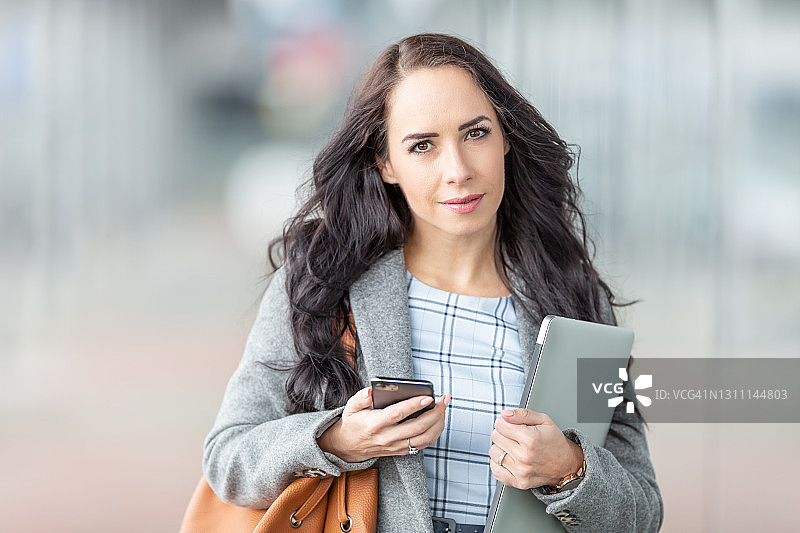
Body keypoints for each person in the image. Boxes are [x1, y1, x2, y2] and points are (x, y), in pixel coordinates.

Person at [203, 33, 663, 532]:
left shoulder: (572, 296)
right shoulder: (323, 280)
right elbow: (228, 457)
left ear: (506, 137)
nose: (458, 171)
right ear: (385, 164)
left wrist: (569, 469)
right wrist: (339, 439)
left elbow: (642, 512)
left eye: (476, 133)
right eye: (423, 146)